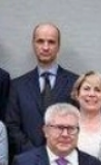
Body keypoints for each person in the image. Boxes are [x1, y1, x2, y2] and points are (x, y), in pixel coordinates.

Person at [6, 23, 79, 156]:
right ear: (33, 44)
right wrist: (34, 155)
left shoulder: (75, 83)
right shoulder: (17, 86)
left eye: (51, 42)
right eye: (40, 41)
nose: (45, 47)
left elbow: (79, 123)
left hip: (65, 159)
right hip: (28, 162)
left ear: (58, 46)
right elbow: (12, 126)